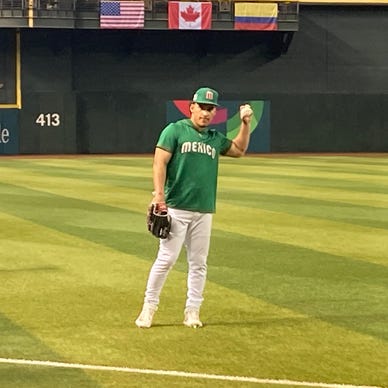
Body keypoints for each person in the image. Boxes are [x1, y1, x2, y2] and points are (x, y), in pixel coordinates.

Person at [135, 87, 253, 329]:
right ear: (192, 107)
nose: (207, 113)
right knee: (166, 259)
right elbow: (159, 162)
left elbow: (239, 150)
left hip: (204, 210)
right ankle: (149, 307)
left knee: (198, 262)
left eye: (211, 109)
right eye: (202, 107)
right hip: (177, 207)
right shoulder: (175, 130)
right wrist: (159, 195)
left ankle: (192, 311)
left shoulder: (214, 138)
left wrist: (244, 123)